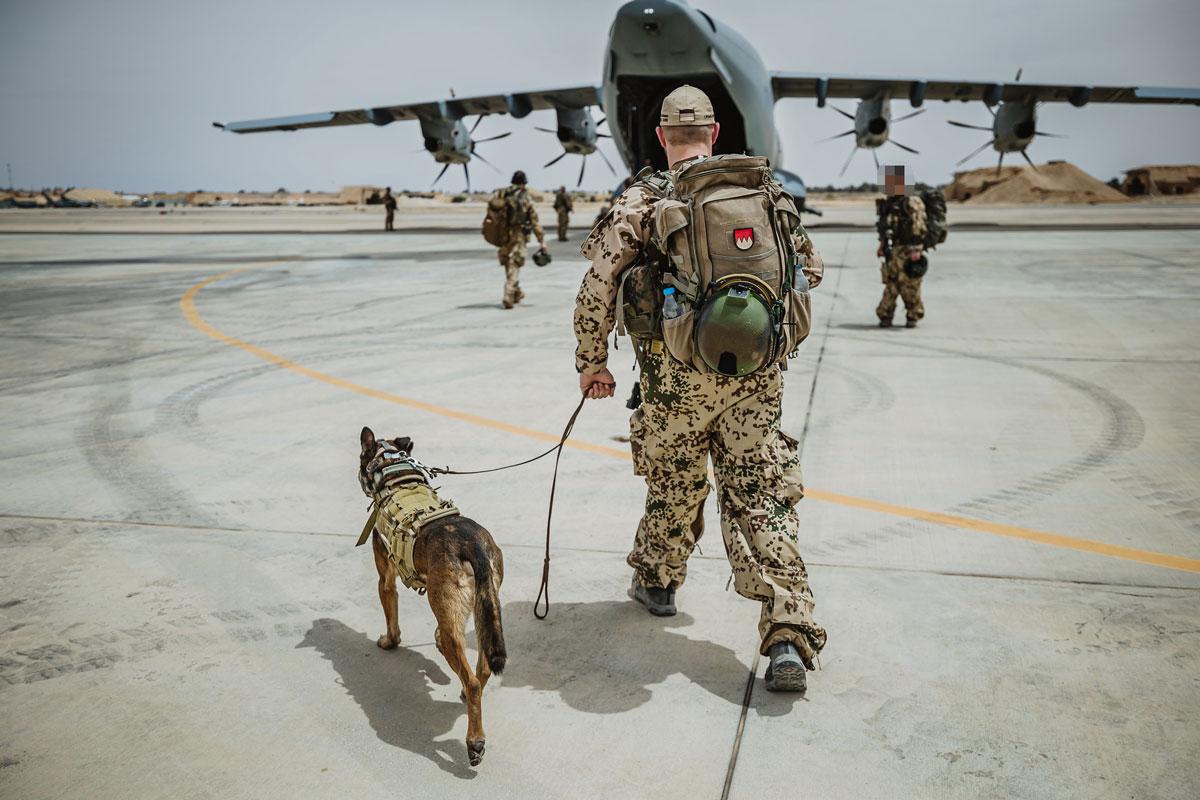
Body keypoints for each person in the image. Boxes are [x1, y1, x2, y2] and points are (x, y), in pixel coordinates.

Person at [572, 85, 827, 692]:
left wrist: (592, 361)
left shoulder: (643, 198)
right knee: (761, 495)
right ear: (715, 134)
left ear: (661, 137)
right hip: (753, 380)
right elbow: (808, 271)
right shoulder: (765, 192)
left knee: (675, 481)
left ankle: (658, 581)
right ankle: (787, 631)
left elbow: (596, 287)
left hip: (673, 382)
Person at [875, 165, 926, 328]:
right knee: (892, 283)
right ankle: (885, 315)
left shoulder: (912, 201)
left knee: (910, 284)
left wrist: (916, 249)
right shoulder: (890, 203)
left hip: (908, 249)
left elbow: (918, 226)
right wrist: (882, 244)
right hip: (893, 249)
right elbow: (886, 227)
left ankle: (913, 315)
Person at [496, 171, 547, 309]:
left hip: (503, 234)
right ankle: (508, 293)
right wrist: (541, 241)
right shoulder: (525, 198)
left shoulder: (503, 194)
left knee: (508, 261)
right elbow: (534, 221)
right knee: (515, 262)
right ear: (524, 182)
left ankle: (517, 293)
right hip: (518, 235)